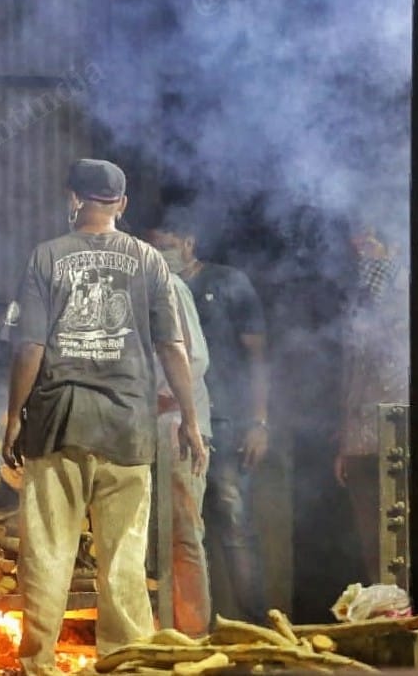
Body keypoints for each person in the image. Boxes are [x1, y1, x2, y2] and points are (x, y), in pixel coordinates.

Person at [2, 159, 207, 676]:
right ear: (122, 204)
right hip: (128, 428)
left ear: (73, 198)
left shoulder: (46, 258)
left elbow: (29, 347)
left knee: (48, 550)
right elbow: (174, 348)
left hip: (58, 422)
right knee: (124, 555)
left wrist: (12, 418)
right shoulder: (148, 261)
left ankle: (39, 664)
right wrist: (191, 420)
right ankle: (123, 661)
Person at [148, 216, 269, 622]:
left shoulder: (227, 282)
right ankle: (190, 627)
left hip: (227, 420)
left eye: (166, 244)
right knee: (182, 528)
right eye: (154, 245)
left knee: (233, 526)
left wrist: (260, 421)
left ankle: (257, 629)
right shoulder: (153, 287)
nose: (160, 253)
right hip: (174, 421)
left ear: (188, 242)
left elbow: (257, 358)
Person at [144, 235, 214, 636]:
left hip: (178, 427)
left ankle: (193, 637)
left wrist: (160, 397)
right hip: (144, 428)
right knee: (152, 538)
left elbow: (195, 356)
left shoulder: (169, 286)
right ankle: (158, 630)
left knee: (183, 536)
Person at [335, 225, 408, 582]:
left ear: (392, 246)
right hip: (361, 440)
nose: (361, 252)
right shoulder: (359, 298)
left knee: (405, 533)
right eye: (357, 244)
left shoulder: (414, 289)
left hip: (401, 435)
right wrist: (345, 443)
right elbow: (352, 371)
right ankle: (384, 610)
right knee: (371, 539)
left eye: (369, 243)